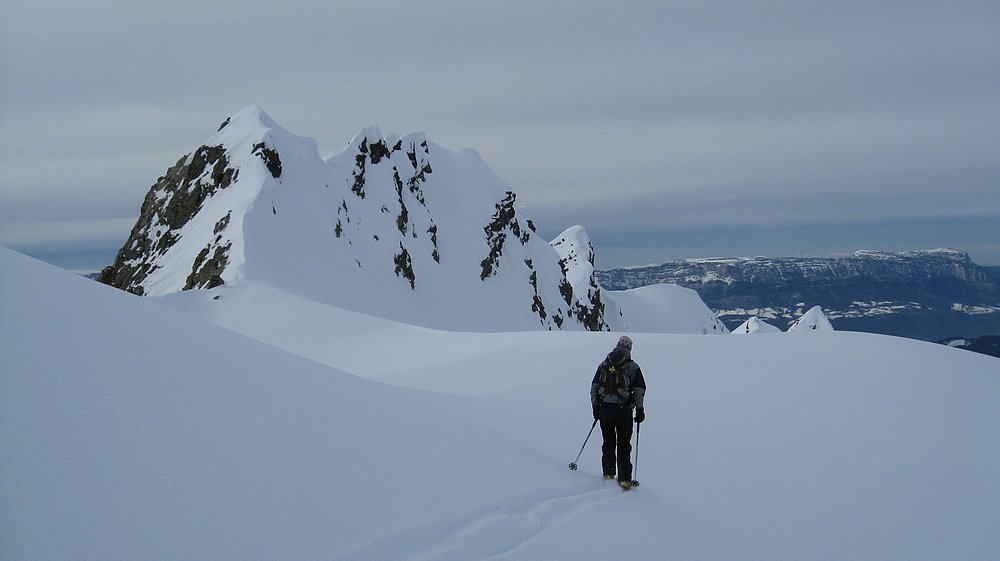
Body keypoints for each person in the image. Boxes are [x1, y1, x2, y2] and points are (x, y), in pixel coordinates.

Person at [591, 335, 646, 490]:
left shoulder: (604, 364)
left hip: (605, 410)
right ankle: (625, 479)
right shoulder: (632, 366)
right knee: (623, 444)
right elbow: (639, 390)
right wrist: (640, 410)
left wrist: (596, 408)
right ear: (629, 349)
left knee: (608, 442)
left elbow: (594, 386)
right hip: (624, 412)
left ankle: (608, 473)